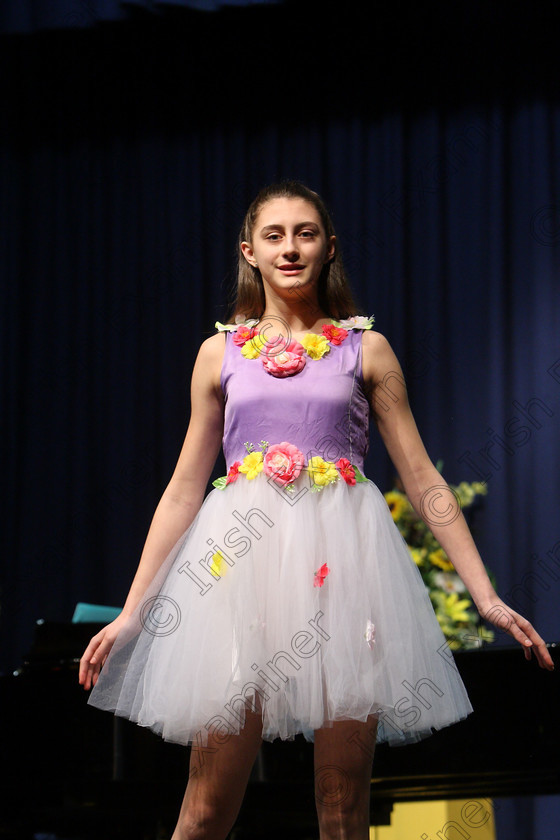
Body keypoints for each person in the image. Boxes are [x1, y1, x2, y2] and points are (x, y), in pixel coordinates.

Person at [79, 181, 554, 840]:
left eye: (305, 233)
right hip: (240, 578)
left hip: (343, 574)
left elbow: (422, 480)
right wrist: (133, 611)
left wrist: (487, 596)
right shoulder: (220, 355)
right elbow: (185, 488)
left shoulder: (367, 349)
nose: (290, 248)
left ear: (330, 247)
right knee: (205, 809)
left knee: (341, 810)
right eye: (274, 236)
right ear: (250, 251)